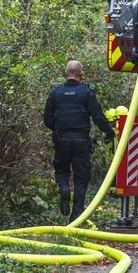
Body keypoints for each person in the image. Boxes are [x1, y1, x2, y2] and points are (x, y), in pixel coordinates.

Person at [43, 60, 115, 218]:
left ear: (66, 73)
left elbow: (47, 119)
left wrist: (58, 129)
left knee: (61, 169)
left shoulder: (56, 93)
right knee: (81, 178)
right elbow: (97, 117)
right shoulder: (87, 92)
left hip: (61, 139)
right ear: (81, 74)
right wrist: (109, 132)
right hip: (81, 140)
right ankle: (76, 216)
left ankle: (64, 188)